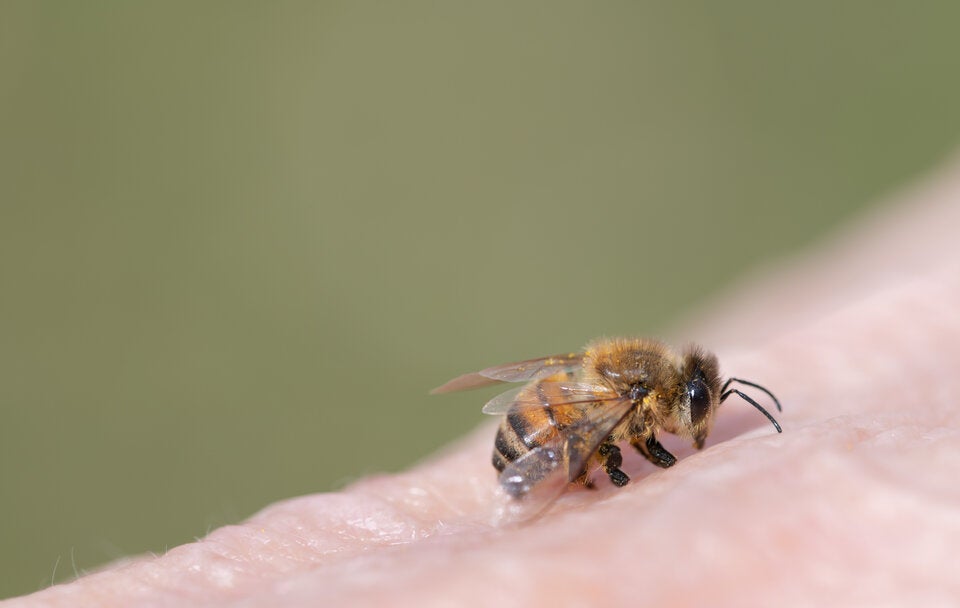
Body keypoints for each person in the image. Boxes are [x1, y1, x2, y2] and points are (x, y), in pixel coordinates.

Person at [9, 160, 960, 607]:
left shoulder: (632, 375)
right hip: (551, 431)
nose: (702, 428)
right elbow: (583, 428)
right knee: (592, 471)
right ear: (669, 398)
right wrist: (591, 484)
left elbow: (552, 378)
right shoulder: (630, 401)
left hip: (554, 401)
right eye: (700, 417)